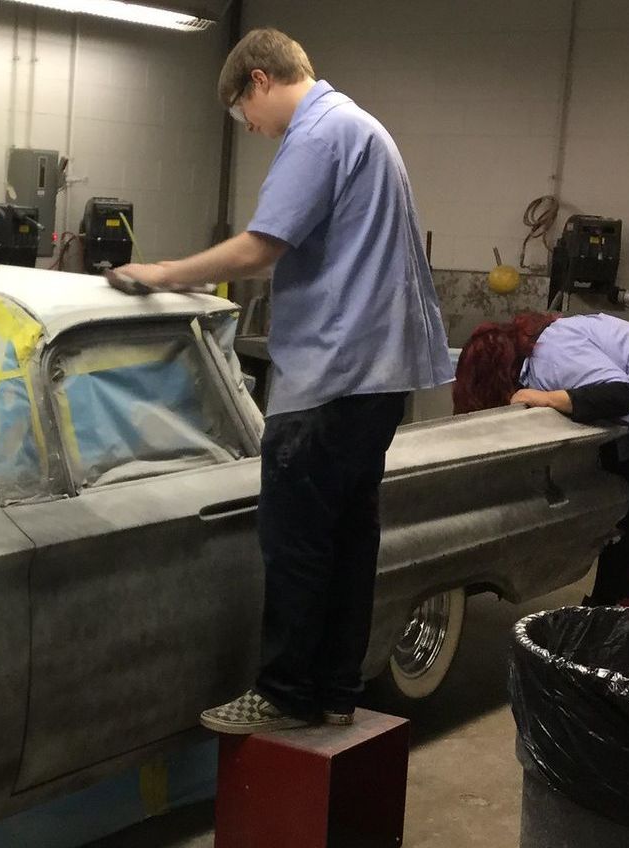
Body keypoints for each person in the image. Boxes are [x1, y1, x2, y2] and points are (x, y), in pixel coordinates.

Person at [113, 29, 453, 735]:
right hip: (376, 378)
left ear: (259, 81)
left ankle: (286, 692)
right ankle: (332, 689)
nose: (254, 130)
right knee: (349, 540)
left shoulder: (319, 134)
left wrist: (163, 273)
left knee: (296, 540)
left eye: (245, 115)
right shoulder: (364, 129)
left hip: (331, 376)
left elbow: (262, 247)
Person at [452, 311, 629, 606]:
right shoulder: (539, 349)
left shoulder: (552, 354)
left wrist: (545, 398)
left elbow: (621, 395)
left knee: (627, 509)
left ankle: (607, 610)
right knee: (628, 508)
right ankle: (617, 605)